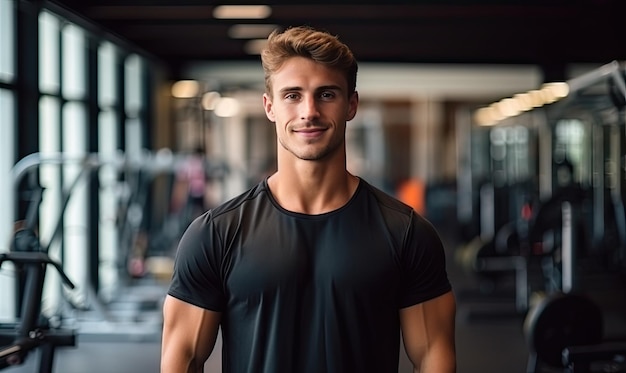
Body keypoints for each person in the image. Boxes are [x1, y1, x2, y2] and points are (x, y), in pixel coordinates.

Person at [161, 25, 456, 373]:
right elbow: (183, 359)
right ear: (270, 107)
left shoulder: (406, 233)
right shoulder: (215, 234)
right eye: (292, 95)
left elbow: (433, 356)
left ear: (351, 105)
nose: (309, 111)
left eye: (327, 94)